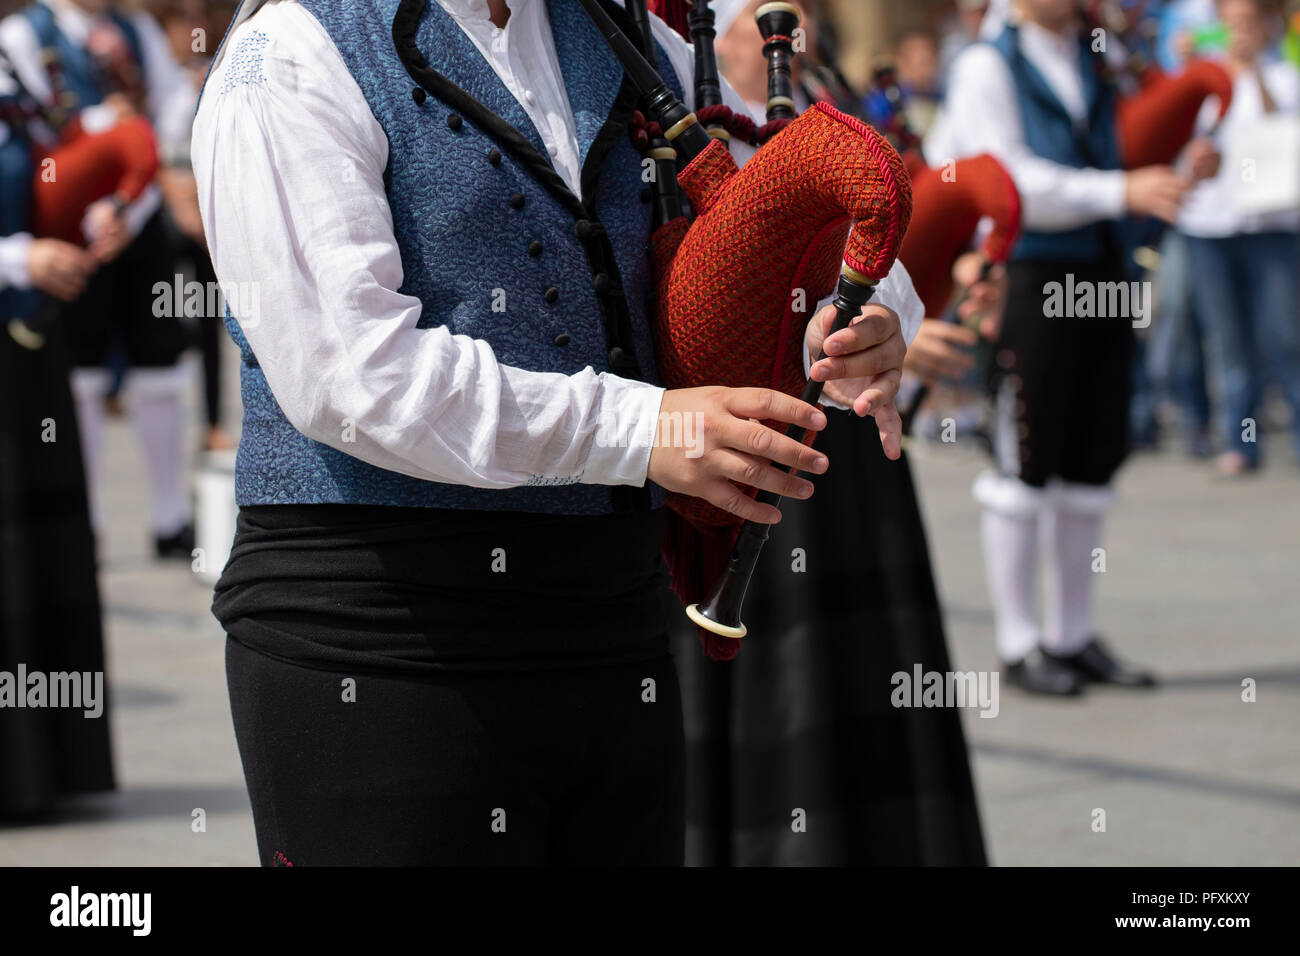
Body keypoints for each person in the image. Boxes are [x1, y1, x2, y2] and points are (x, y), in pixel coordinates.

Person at [194, 0, 922, 866]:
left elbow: (787, 202)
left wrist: (855, 314)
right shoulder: (287, 50)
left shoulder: (619, 27)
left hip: (611, 629)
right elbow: (348, 374)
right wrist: (641, 428)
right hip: (381, 637)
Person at [664, 0, 987, 865]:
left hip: (841, 457)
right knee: (751, 710)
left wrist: (892, 318)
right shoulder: (663, 85)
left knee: (861, 708)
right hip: (714, 453)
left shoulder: (827, 91)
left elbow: (887, 242)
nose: (792, 14)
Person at [940, 0, 1175, 695]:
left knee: (1093, 459)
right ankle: (1018, 643)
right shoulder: (988, 63)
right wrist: (1122, 189)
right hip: (1035, 273)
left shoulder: (1099, 53)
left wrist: (1172, 160)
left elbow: (1127, 143)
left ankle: (1072, 636)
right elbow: (1005, 179)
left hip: (1107, 268)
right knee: (1026, 458)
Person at [0, 0, 198, 558]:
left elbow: (171, 108)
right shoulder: (23, 34)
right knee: (82, 367)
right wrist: (98, 128)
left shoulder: (134, 31)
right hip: (67, 223)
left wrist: (136, 202)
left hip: (138, 214)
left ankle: (169, 517)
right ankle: (85, 520)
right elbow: (28, 132)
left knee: (160, 361)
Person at [0, 53, 113, 817]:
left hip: (25, 347)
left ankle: (43, 767)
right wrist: (17, 257)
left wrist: (97, 212)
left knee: (38, 549)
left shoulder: (17, 64)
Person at [1180, 0, 1300, 476]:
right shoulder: (1202, 79)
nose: (1239, 33)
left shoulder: (1285, 76)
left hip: (1271, 226)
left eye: (1247, 24)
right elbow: (1184, 138)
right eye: (1230, 25)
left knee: (1285, 335)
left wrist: (1252, 72)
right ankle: (1241, 442)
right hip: (1210, 225)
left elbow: (1281, 128)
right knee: (1228, 342)